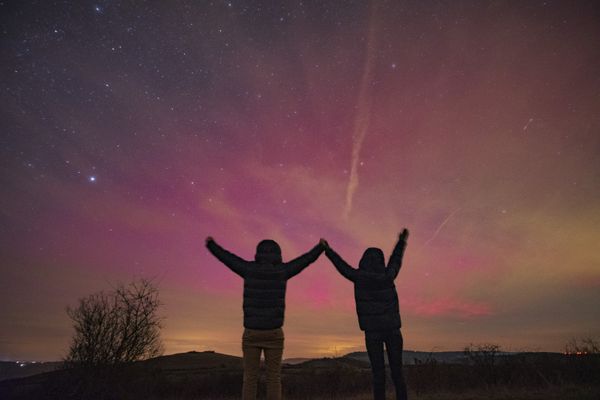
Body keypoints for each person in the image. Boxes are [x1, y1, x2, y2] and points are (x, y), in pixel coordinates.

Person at [205, 236, 325, 400]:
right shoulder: (282, 271)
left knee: (250, 379)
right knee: (273, 378)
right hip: (274, 333)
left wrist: (212, 245)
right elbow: (304, 261)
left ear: (258, 254)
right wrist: (319, 248)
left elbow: (227, 258)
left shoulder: (248, 269)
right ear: (278, 254)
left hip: (252, 333)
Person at [321, 229, 409, 400]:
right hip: (393, 331)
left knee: (378, 374)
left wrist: (328, 250)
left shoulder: (358, 276)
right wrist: (401, 241)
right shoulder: (388, 275)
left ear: (363, 260)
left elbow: (341, 265)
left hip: (372, 333)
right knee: (397, 372)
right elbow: (396, 259)